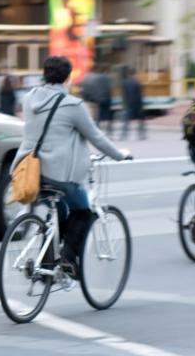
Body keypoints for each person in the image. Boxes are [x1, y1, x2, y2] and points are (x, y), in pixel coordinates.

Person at [13, 56, 129, 278]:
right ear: (68, 77)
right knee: (83, 212)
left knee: (59, 211)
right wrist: (119, 155)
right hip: (59, 174)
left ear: (45, 74)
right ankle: (67, 260)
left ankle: (48, 264)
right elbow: (96, 136)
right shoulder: (72, 105)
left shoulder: (30, 99)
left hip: (30, 171)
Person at [119, 66, 147, 141]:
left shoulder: (125, 82)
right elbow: (140, 94)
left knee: (126, 121)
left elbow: (123, 94)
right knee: (141, 120)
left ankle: (123, 135)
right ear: (134, 73)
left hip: (128, 103)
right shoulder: (137, 82)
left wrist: (124, 103)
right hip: (137, 104)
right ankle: (142, 135)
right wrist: (141, 105)